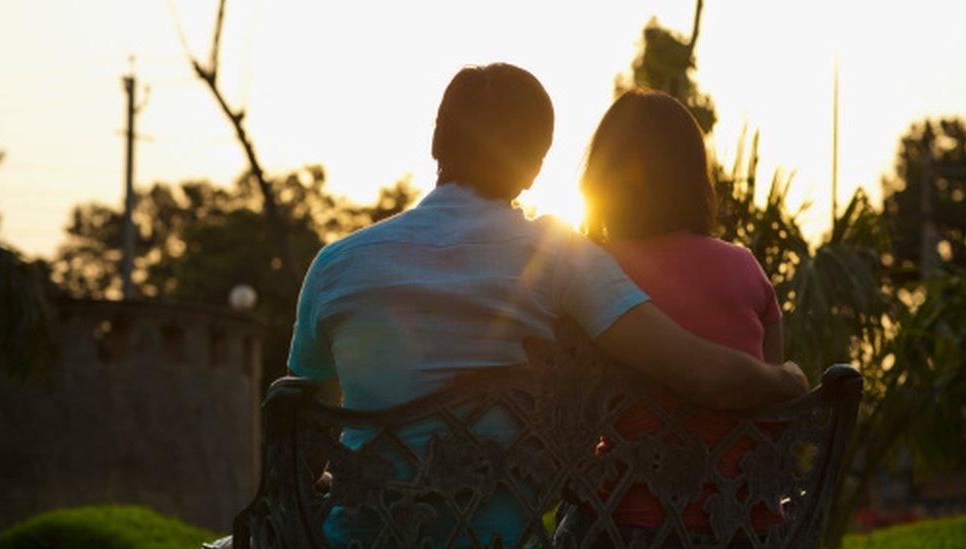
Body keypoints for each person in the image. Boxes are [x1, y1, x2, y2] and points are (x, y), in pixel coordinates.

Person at [288, 64, 807, 546]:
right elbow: (704, 374)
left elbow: (295, 426)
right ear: (536, 166)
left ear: (435, 143)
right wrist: (786, 381)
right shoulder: (561, 259)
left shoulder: (336, 265)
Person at [556, 89, 788, 544]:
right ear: (694, 179)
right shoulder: (746, 268)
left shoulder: (594, 275)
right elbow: (772, 392)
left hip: (628, 525)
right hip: (746, 526)